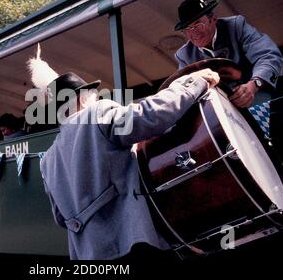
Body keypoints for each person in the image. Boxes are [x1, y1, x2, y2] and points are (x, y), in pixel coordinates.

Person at [27, 47, 220, 260]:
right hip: (131, 241)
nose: (95, 96)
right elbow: (151, 116)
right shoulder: (97, 114)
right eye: (92, 93)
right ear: (82, 99)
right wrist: (194, 84)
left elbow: (60, 218)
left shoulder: (47, 160)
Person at [173, 0, 283, 108]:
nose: (193, 33)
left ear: (213, 19)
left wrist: (254, 84)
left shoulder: (236, 26)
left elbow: (269, 55)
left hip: (258, 98)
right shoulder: (184, 55)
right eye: (187, 29)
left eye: (198, 24)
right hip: (219, 110)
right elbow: (183, 89)